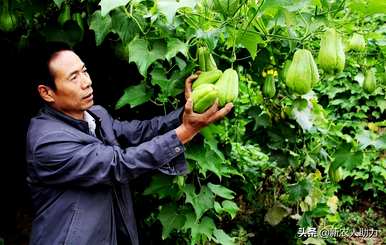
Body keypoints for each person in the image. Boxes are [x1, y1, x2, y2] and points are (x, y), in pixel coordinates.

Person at [25, 44, 233, 245]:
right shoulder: (47, 142)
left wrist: (189, 109)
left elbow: (140, 132)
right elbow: (118, 165)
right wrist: (185, 132)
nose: (86, 82)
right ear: (47, 92)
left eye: (84, 71)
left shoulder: (95, 115)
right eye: (74, 77)